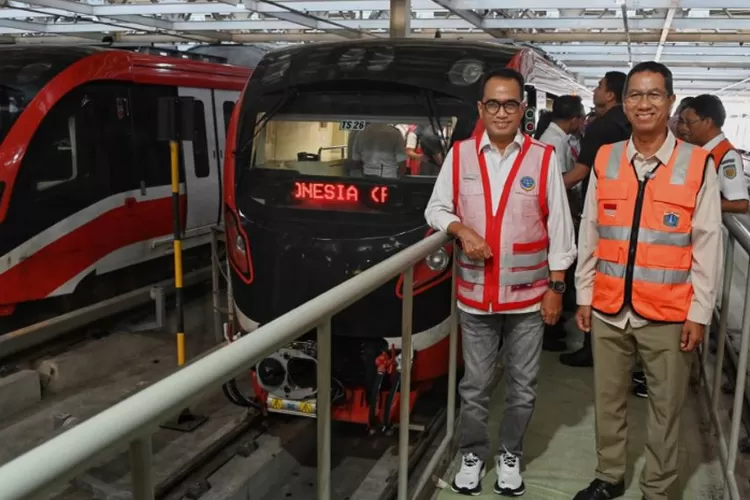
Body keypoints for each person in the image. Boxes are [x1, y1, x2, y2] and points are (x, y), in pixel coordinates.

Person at [572, 61, 722, 500]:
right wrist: (584, 294)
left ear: (671, 103)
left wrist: (699, 313)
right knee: (609, 400)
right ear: (624, 103)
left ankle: (656, 489)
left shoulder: (697, 164)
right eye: (635, 95)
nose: (643, 103)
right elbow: (591, 232)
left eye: (654, 94)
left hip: (670, 312)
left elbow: (707, 245)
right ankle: (609, 476)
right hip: (609, 306)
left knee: (665, 408)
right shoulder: (607, 157)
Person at [425, 67, 576, 496]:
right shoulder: (461, 156)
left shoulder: (543, 158)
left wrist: (556, 288)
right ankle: (472, 453)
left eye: (511, 103)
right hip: (475, 298)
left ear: (523, 109)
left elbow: (561, 229)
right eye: (493, 103)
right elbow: (435, 208)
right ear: (481, 108)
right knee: (474, 386)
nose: (502, 112)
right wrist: (460, 229)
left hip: (529, 300)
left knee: (523, 386)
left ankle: (511, 453)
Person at [560, 72, 631, 367]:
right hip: (625, 209)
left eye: (599, 86)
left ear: (611, 94)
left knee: (594, 275)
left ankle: (592, 347)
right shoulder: (626, 124)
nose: (595, 89)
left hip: (601, 209)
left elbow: (580, 172)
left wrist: (543, 190)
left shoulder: (601, 127)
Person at [536, 95, 586, 351]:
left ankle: (552, 329)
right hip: (554, 215)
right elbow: (555, 186)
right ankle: (547, 332)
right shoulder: (552, 143)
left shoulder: (559, 138)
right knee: (553, 271)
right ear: (575, 119)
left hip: (562, 212)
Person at [680, 94, 749, 214]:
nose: (683, 128)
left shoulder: (727, 156)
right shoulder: (701, 151)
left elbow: (740, 204)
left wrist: (694, 202)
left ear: (707, 122)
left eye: (689, 123)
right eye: (682, 122)